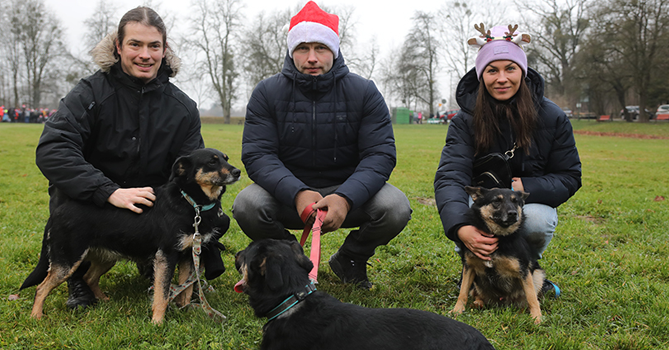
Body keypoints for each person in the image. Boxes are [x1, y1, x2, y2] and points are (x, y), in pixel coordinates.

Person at [34, 6, 210, 310]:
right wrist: (109, 191)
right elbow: (53, 149)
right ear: (118, 47)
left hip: (149, 207)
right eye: (135, 44)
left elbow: (189, 173)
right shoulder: (89, 92)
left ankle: (152, 256)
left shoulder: (183, 107)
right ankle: (78, 279)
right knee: (66, 186)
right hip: (94, 203)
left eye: (154, 46)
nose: (145, 55)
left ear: (164, 50)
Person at [232, 1, 411, 290]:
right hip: (288, 195)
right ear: (292, 52)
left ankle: (351, 258)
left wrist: (345, 197)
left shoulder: (364, 92)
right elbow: (258, 154)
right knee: (247, 205)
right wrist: (297, 192)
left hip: (347, 193)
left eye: (321, 48)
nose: (312, 57)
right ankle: (291, 256)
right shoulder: (266, 92)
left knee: (395, 206)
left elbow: (379, 155)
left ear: (335, 51)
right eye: (303, 48)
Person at [434, 24, 582, 295]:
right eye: (492, 70)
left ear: (522, 72)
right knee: (471, 212)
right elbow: (450, 176)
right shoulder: (464, 121)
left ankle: (524, 268)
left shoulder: (553, 117)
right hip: (481, 200)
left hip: (526, 203)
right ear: (481, 76)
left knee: (537, 219)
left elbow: (569, 176)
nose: (501, 78)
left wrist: (525, 188)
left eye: (510, 68)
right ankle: (475, 271)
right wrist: (460, 227)